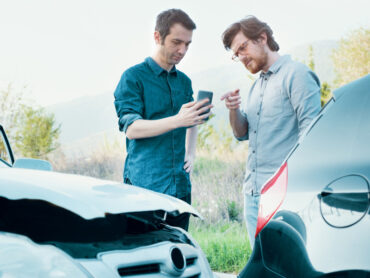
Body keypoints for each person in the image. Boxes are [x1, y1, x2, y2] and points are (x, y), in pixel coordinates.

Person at [220, 16, 321, 247]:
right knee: (261, 267)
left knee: (286, 266)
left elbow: (311, 134)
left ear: (262, 37)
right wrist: (233, 109)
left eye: (243, 47)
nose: (241, 57)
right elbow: (241, 133)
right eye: (236, 54)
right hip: (252, 193)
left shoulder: (297, 75)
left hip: (283, 195)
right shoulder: (256, 87)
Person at [113, 9, 212, 231]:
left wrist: (191, 152)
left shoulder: (184, 82)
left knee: (177, 255)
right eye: (177, 42)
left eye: (188, 44)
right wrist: (177, 120)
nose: (182, 50)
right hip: (145, 187)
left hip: (180, 186)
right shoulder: (133, 77)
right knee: (143, 257)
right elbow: (132, 129)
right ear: (157, 37)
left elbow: (191, 119)